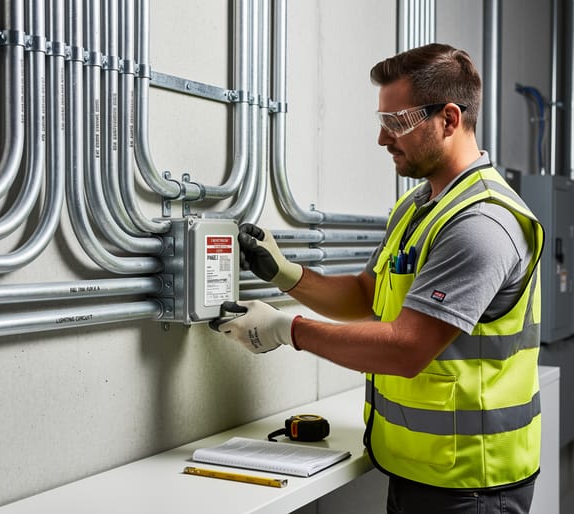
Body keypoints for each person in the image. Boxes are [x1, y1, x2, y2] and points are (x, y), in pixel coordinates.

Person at [209, 43, 545, 514]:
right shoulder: (418, 208)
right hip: (419, 467)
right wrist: (286, 275)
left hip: (472, 484)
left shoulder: (482, 222)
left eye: (397, 123)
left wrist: (287, 330)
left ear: (449, 119)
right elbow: (368, 294)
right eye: (382, 122)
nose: (383, 140)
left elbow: (408, 347)